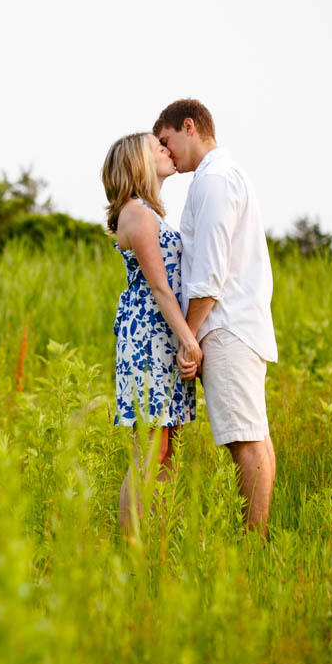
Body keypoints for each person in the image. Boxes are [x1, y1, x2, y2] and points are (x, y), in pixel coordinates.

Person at [153, 99, 278, 537]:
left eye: (167, 142)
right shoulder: (222, 176)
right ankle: (255, 541)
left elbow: (208, 277)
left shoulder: (215, 180)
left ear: (190, 127)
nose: (167, 154)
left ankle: (253, 544)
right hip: (236, 324)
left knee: (245, 441)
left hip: (225, 328)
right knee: (253, 436)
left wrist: (188, 336)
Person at [102, 132, 203, 538]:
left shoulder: (146, 212)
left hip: (159, 336)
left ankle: (155, 543)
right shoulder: (137, 213)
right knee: (149, 451)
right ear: (137, 161)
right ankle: (131, 551)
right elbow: (159, 286)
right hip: (149, 338)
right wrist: (189, 340)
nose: (166, 149)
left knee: (165, 451)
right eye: (155, 146)